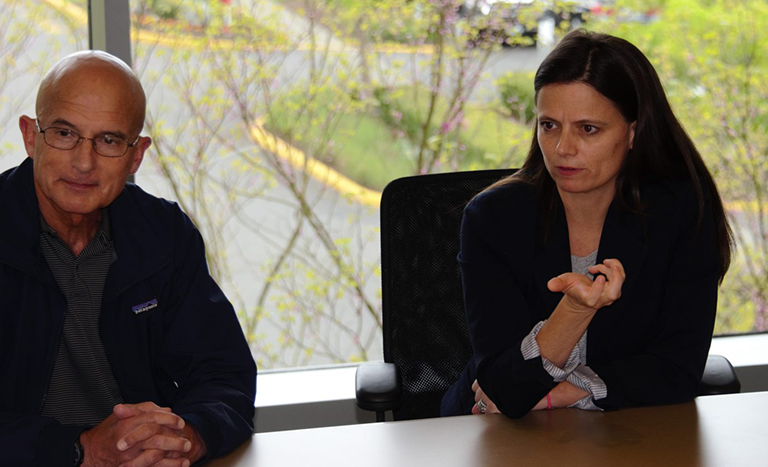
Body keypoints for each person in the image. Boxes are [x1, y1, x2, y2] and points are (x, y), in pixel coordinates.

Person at [440, 30, 733, 418]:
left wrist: (560, 393)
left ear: (633, 132)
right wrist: (574, 311)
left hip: (626, 430)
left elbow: (677, 370)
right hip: (491, 428)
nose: (563, 148)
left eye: (588, 129)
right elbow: (501, 385)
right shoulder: (493, 218)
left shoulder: (680, 212)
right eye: (549, 125)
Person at [0, 51, 257, 466]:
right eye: (64, 133)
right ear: (31, 137)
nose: (84, 162)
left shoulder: (164, 234)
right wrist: (80, 450)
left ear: (136, 156)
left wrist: (188, 437)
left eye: (109, 141)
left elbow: (223, 374)